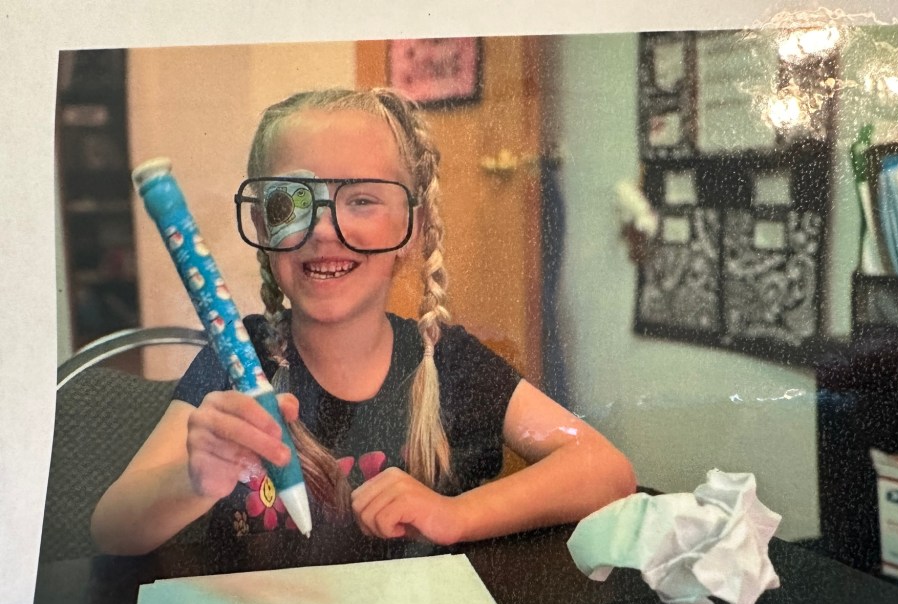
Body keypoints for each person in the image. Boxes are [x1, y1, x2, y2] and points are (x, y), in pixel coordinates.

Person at [91, 86, 636, 556]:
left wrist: (456, 515)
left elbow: (606, 470)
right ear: (261, 224)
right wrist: (193, 480)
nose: (323, 230)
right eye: (290, 203)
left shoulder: (446, 361)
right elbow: (111, 530)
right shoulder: (237, 360)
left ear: (411, 229)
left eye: (362, 200)